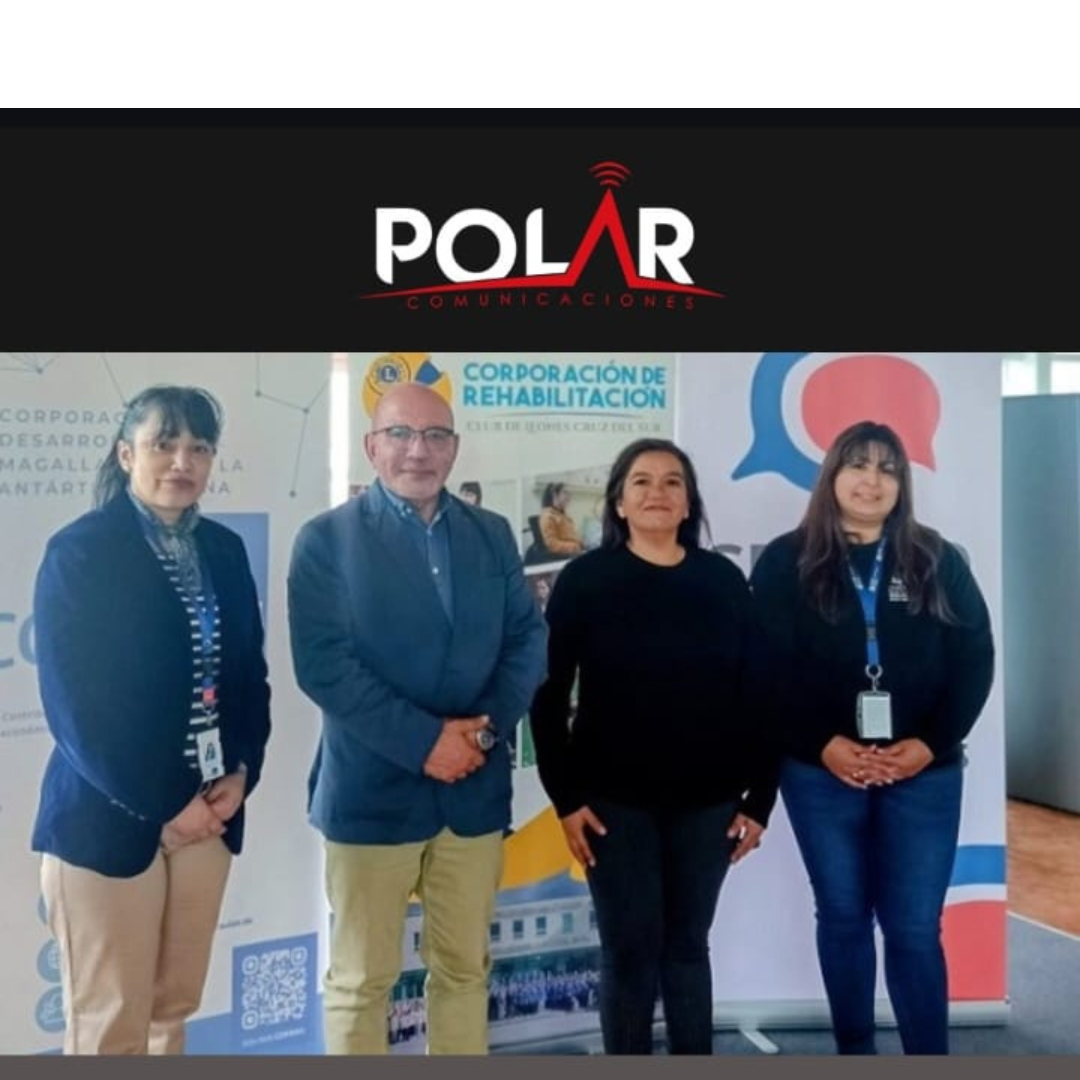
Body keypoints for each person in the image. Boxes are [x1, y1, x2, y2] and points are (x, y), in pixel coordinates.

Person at [287, 382, 547, 1055]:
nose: (417, 451)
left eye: (435, 436)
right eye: (400, 434)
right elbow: (324, 666)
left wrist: (481, 733)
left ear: (454, 449)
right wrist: (427, 742)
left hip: (472, 791)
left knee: (464, 971)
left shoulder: (491, 535)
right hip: (371, 794)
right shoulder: (326, 540)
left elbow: (527, 641)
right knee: (361, 981)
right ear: (372, 447)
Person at [31, 385, 272, 1055]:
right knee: (110, 1024)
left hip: (210, 812)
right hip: (109, 818)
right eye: (163, 444)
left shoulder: (224, 550)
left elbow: (248, 678)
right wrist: (168, 802)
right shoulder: (82, 552)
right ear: (126, 453)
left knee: (173, 1011)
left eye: (199, 447)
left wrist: (242, 772)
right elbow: (77, 707)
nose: (182, 462)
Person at [749, 420, 995, 1055]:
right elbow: (765, 670)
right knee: (843, 917)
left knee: (913, 928)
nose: (872, 480)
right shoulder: (785, 561)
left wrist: (928, 744)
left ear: (902, 484)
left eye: (888, 469)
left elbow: (974, 659)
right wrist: (823, 744)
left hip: (925, 776)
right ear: (832, 476)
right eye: (858, 465)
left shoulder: (936, 558)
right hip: (820, 773)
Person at [530, 438, 778, 1055]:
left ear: (689, 502)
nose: (657, 493)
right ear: (618, 502)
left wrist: (760, 801)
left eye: (672, 482)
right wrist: (565, 799)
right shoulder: (585, 581)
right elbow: (547, 696)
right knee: (630, 950)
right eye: (641, 481)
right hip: (612, 805)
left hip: (709, 803)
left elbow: (761, 693)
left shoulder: (722, 581)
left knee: (688, 948)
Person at [538, 482, 585, 556]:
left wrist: (582, 542)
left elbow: (571, 536)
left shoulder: (563, 515)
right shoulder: (547, 516)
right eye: (565, 492)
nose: (569, 496)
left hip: (575, 551)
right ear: (555, 495)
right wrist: (574, 547)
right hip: (565, 555)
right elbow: (552, 544)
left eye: (569, 493)